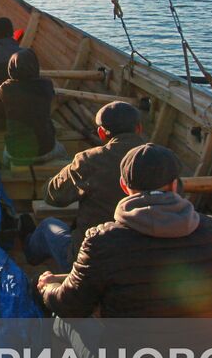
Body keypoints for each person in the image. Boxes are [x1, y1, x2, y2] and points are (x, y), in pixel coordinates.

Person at [35, 143, 212, 319]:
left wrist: (47, 287)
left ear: (124, 186)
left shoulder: (102, 240)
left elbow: (70, 307)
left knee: (61, 321)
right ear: (175, 185)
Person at [25, 101, 146, 271]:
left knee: (48, 226)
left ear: (101, 133)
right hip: (143, 255)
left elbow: (53, 196)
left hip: (90, 258)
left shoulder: (89, 160)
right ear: (139, 128)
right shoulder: (161, 159)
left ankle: (27, 254)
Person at [0, 47, 64, 167]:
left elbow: (0, 111)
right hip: (46, 149)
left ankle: (7, 171)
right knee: (63, 151)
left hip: (16, 153)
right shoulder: (46, 85)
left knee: (5, 155)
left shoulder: (4, 89)